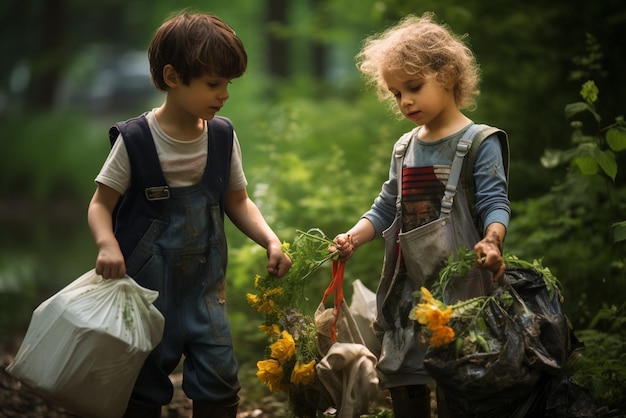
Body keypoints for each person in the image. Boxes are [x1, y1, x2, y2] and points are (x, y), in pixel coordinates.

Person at [87, 11, 292, 418]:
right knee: (141, 384)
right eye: (214, 84)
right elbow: (100, 204)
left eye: (227, 84)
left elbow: (238, 200)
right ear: (173, 76)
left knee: (218, 382)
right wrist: (107, 244)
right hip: (145, 296)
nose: (224, 94)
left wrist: (269, 239)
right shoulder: (136, 140)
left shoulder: (220, 136)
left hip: (205, 294)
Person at [332, 13, 510, 418]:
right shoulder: (404, 148)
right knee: (403, 369)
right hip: (408, 281)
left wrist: (492, 239)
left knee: (460, 369)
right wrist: (354, 236)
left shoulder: (478, 142)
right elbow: (384, 206)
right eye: (396, 94)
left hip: (464, 281)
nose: (405, 101)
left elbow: (494, 201)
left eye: (413, 88)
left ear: (447, 75)